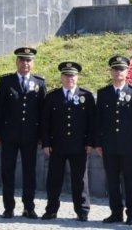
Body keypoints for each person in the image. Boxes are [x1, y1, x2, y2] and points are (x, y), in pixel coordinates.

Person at [0, 47, 46, 219]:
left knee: (29, 172)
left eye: (28, 60)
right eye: (22, 60)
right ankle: (8, 207)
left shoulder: (39, 83)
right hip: (9, 135)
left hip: (30, 136)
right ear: (16, 62)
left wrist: (41, 136)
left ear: (33, 62)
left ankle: (29, 207)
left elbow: (43, 113)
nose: (25, 63)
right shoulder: (6, 81)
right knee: (7, 171)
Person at [41, 62, 94, 222]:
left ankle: (82, 210)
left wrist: (90, 142)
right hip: (57, 145)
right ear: (61, 77)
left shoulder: (86, 96)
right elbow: (45, 122)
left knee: (80, 180)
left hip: (79, 145)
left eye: (72, 75)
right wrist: (45, 143)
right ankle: (51, 210)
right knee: (54, 179)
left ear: (77, 77)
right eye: (66, 75)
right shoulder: (52, 96)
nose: (70, 78)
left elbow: (92, 122)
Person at [94, 55, 132, 225]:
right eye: (115, 69)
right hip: (109, 145)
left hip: (129, 145)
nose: (118, 72)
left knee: (130, 180)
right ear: (110, 71)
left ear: (127, 71)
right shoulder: (103, 93)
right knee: (112, 180)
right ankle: (116, 212)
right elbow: (98, 121)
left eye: (121, 69)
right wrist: (99, 144)